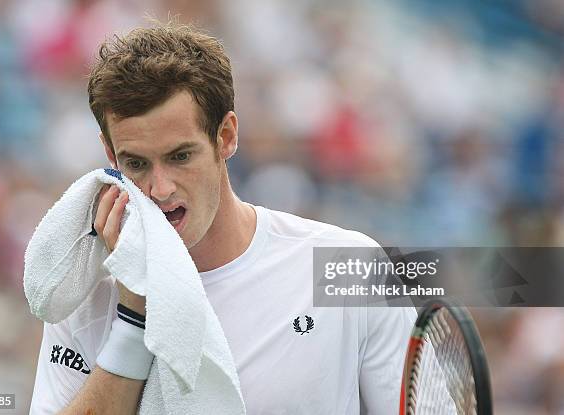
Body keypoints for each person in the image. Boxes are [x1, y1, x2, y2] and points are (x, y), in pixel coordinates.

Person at [29, 21, 416, 414]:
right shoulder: (81, 296)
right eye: (136, 163)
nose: (160, 189)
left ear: (227, 136)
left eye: (180, 156)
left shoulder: (351, 268)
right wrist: (133, 321)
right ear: (111, 157)